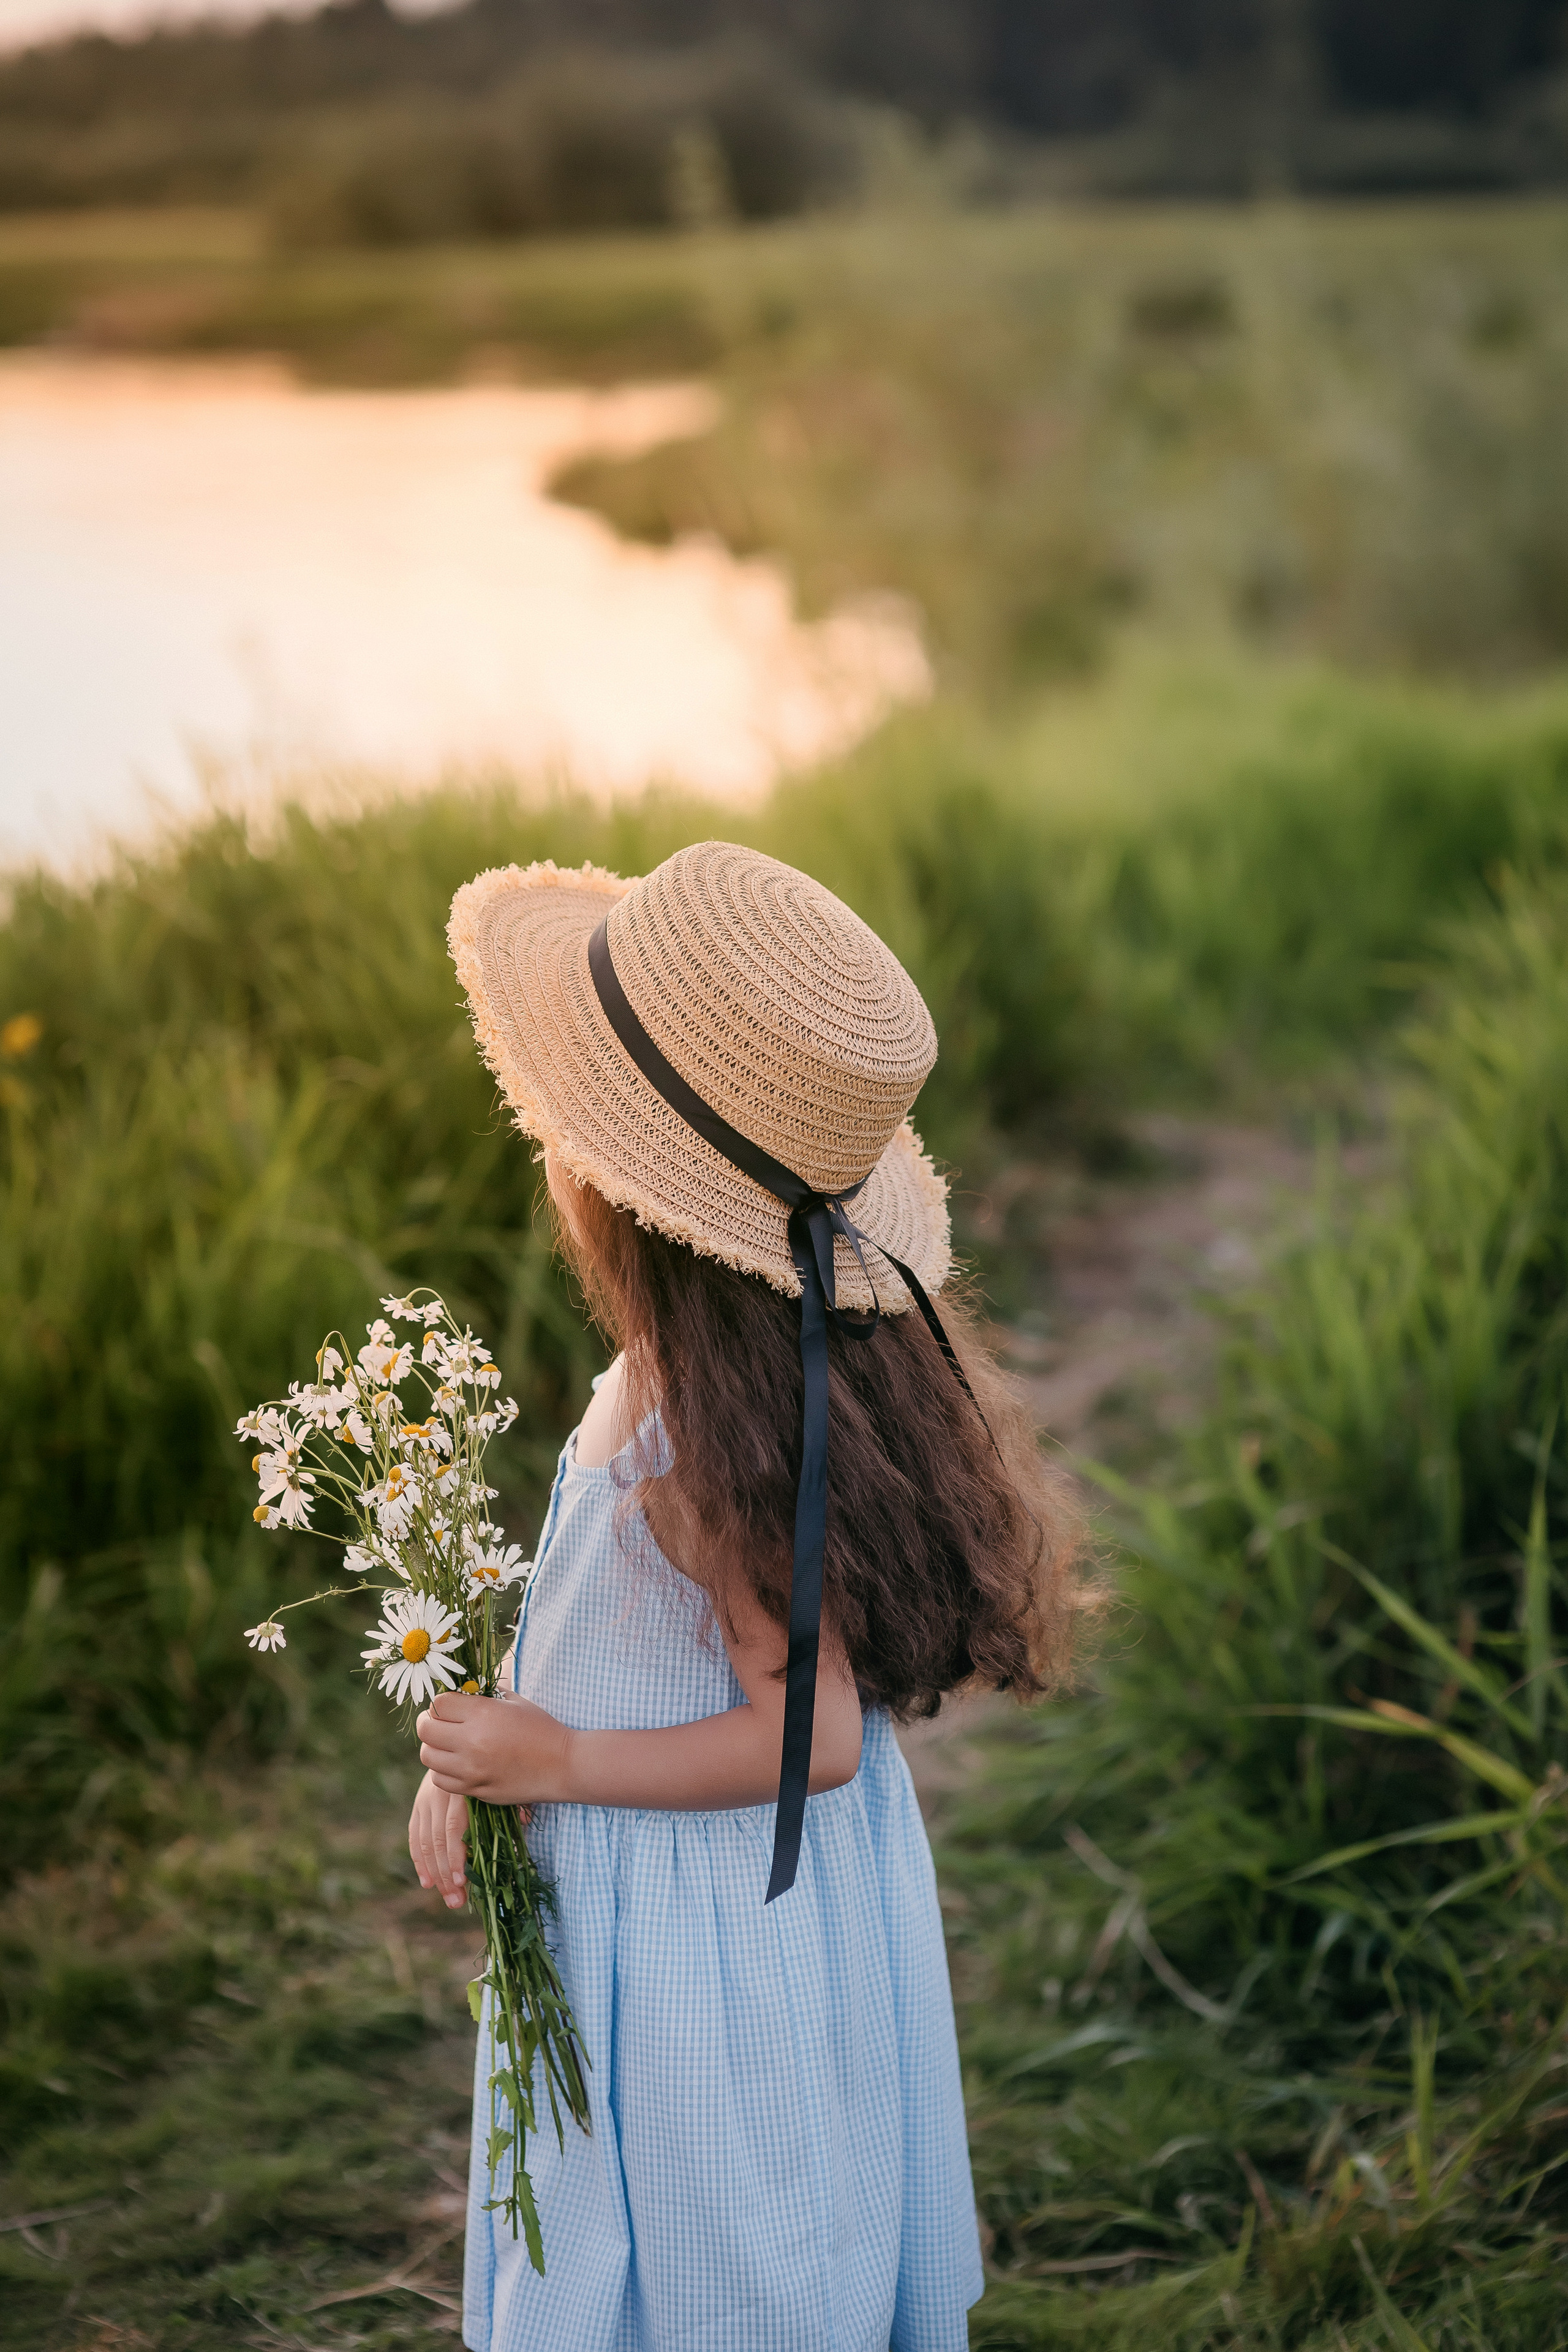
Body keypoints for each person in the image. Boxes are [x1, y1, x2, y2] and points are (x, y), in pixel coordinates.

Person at [407, 841, 1084, 2352]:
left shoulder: (718, 1451)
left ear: (610, 1185)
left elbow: (813, 1741)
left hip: (718, 1940)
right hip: (672, 1895)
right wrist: (487, 1764)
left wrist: (566, 1766)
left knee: (731, 2250)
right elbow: (597, 1642)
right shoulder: (686, 1378)